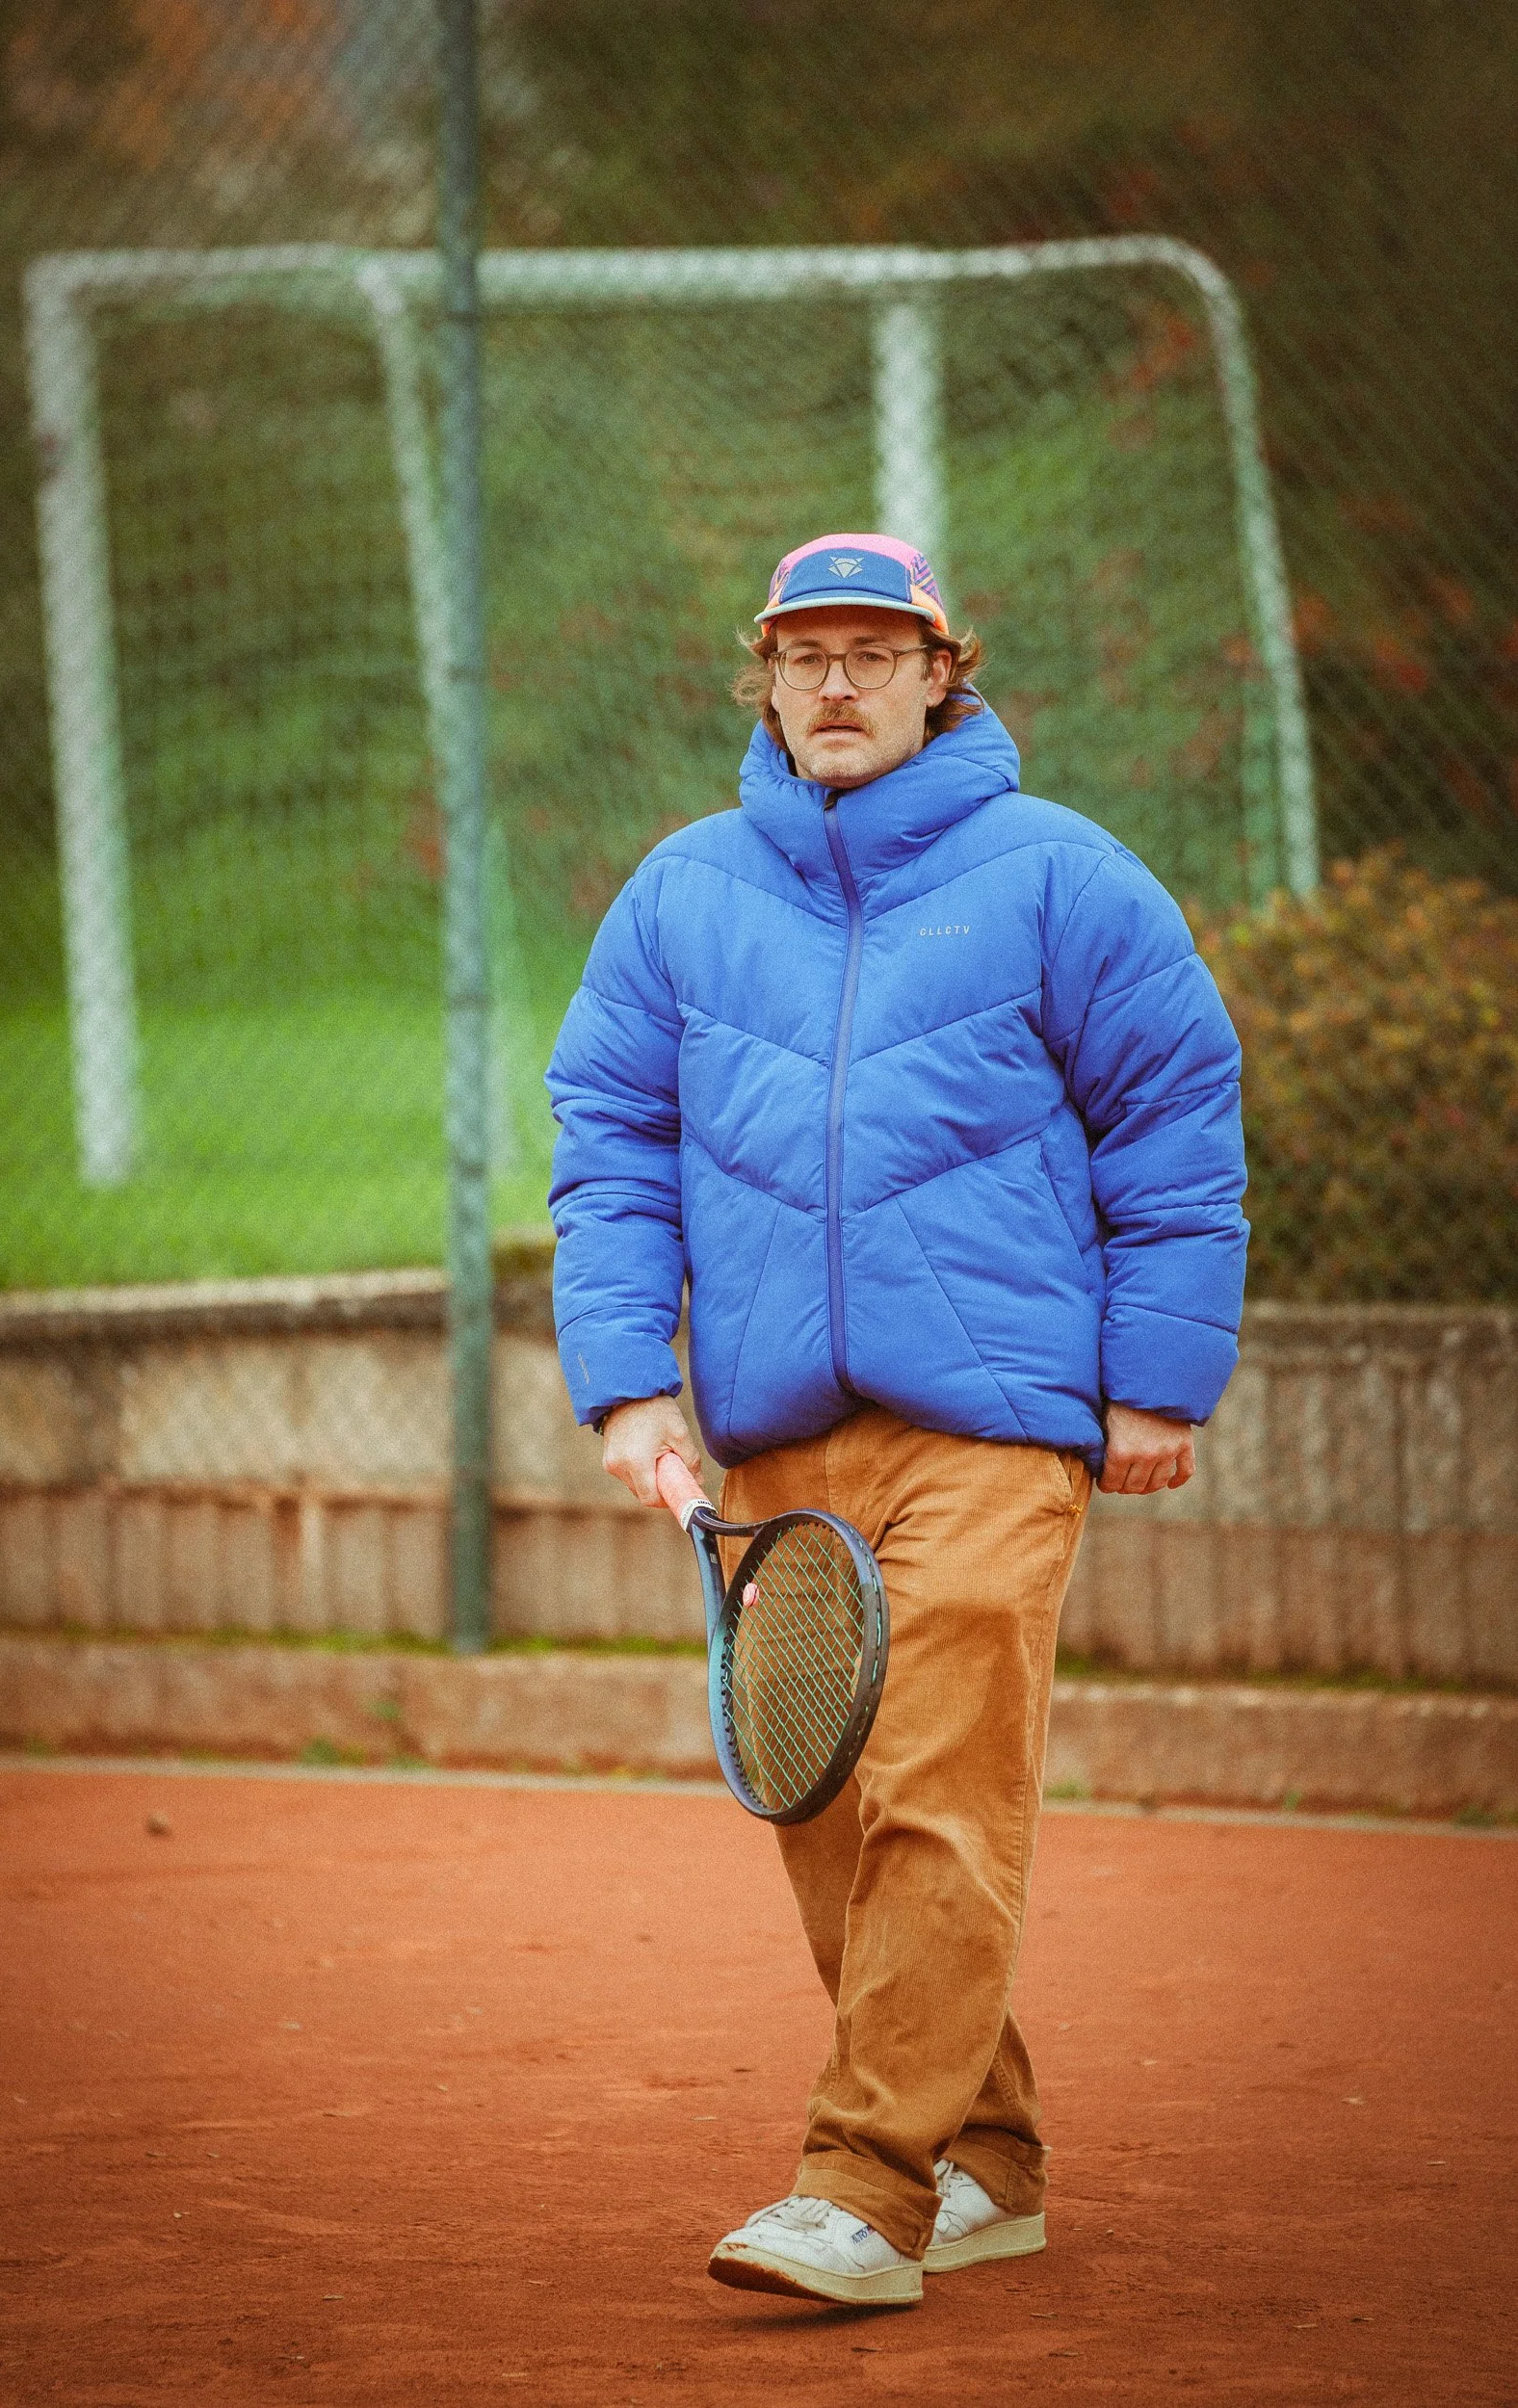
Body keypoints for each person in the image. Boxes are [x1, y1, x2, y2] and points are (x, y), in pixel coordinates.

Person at [545, 532, 1247, 2309]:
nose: (838, 683)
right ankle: (984, 2163)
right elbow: (607, 1144)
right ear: (761, 679)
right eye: (805, 654)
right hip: (775, 1444)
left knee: (940, 1791)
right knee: (829, 1812)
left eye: (877, 650)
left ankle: (862, 2191)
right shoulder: (682, 896)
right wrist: (631, 1385)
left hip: (995, 1427)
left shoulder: (1063, 878)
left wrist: (1155, 1379)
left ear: (947, 672)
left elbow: (1174, 1118)